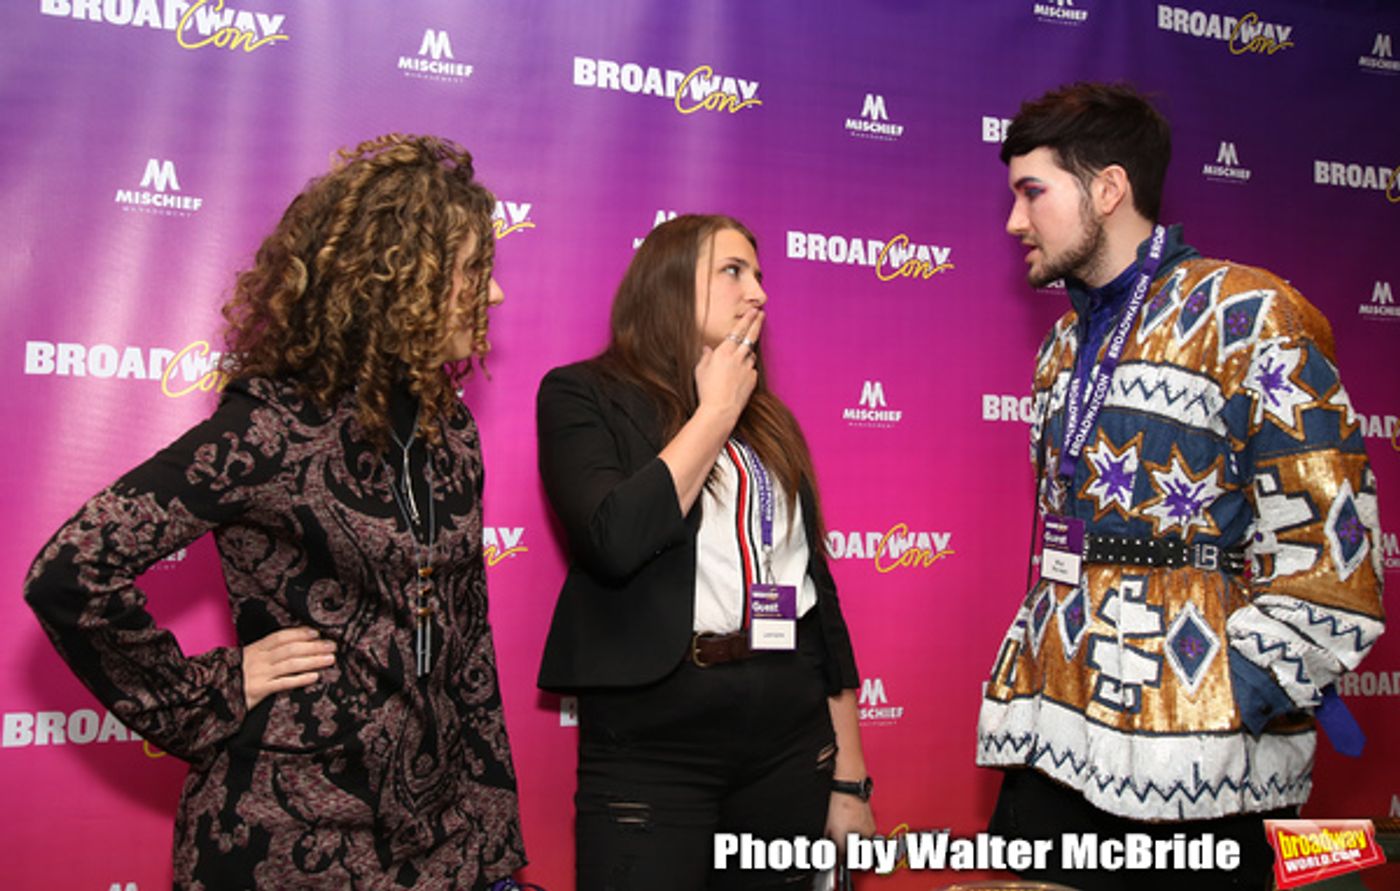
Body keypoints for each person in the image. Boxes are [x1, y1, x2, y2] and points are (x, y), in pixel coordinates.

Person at [24, 134, 526, 889]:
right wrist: (212, 691)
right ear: (396, 279)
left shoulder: (447, 428)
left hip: (433, 843)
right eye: (472, 273)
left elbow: (468, 640)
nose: (492, 296)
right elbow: (69, 572)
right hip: (286, 838)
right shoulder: (272, 428)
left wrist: (492, 841)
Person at [976, 82, 1386, 890]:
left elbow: (1339, 541)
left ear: (1107, 188)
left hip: (1199, 771)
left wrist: (1242, 688)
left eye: (1033, 192)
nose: (1015, 221)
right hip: (1056, 741)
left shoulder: (1253, 312)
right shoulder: (1061, 346)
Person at [536, 214, 875, 889]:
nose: (758, 293)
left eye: (759, 274)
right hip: (654, 744)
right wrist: (714, 411)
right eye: (733, 271)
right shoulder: (582, 395)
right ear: (668, 285)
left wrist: (851, 777)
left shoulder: (771, 421)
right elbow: (614, 539)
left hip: (787, 733)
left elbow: (817, 600)